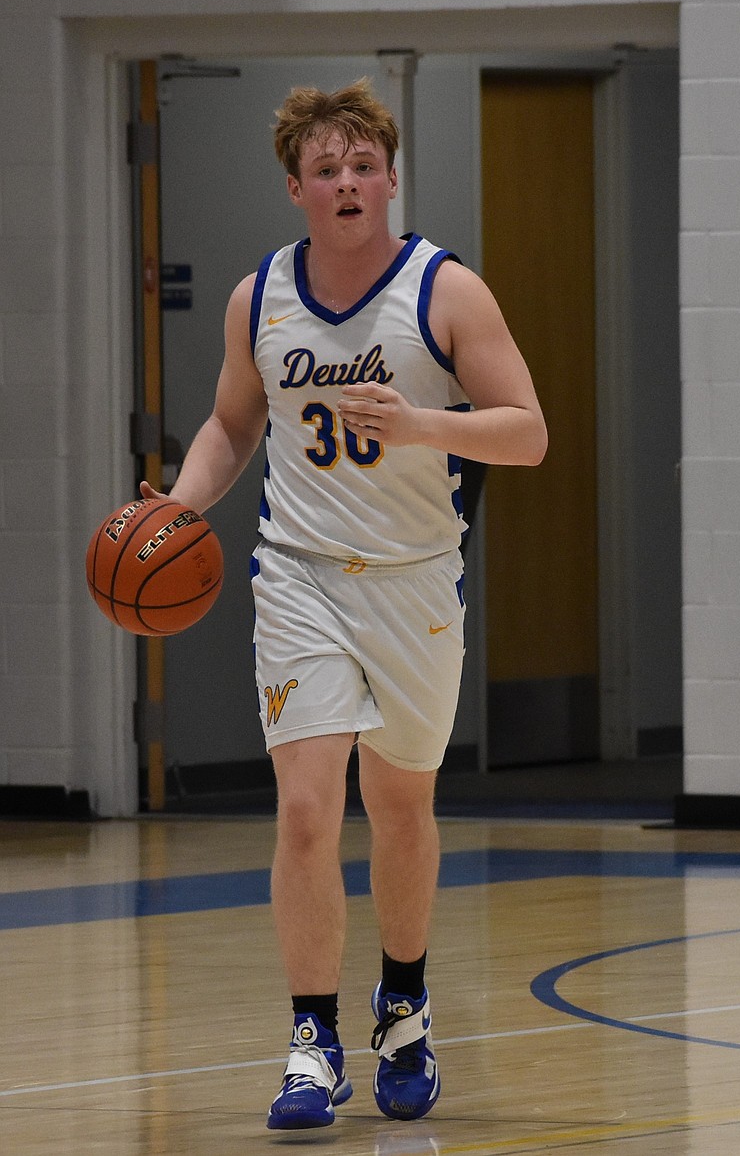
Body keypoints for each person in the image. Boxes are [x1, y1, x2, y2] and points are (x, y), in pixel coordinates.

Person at [142, 79, 547, 1130]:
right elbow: (233, 427)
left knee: (401, 805)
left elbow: (528, 429)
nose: (349, 182)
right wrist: (181, 510)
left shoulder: (447, 291)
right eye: (327, 169)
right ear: (297, 188)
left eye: (364, 165)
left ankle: (403, 1001)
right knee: (310, 808)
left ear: (391, 177)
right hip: (302, 576)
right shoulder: (258, 298)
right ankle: (311, 1038)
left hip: (415, 578)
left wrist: (423, 427)